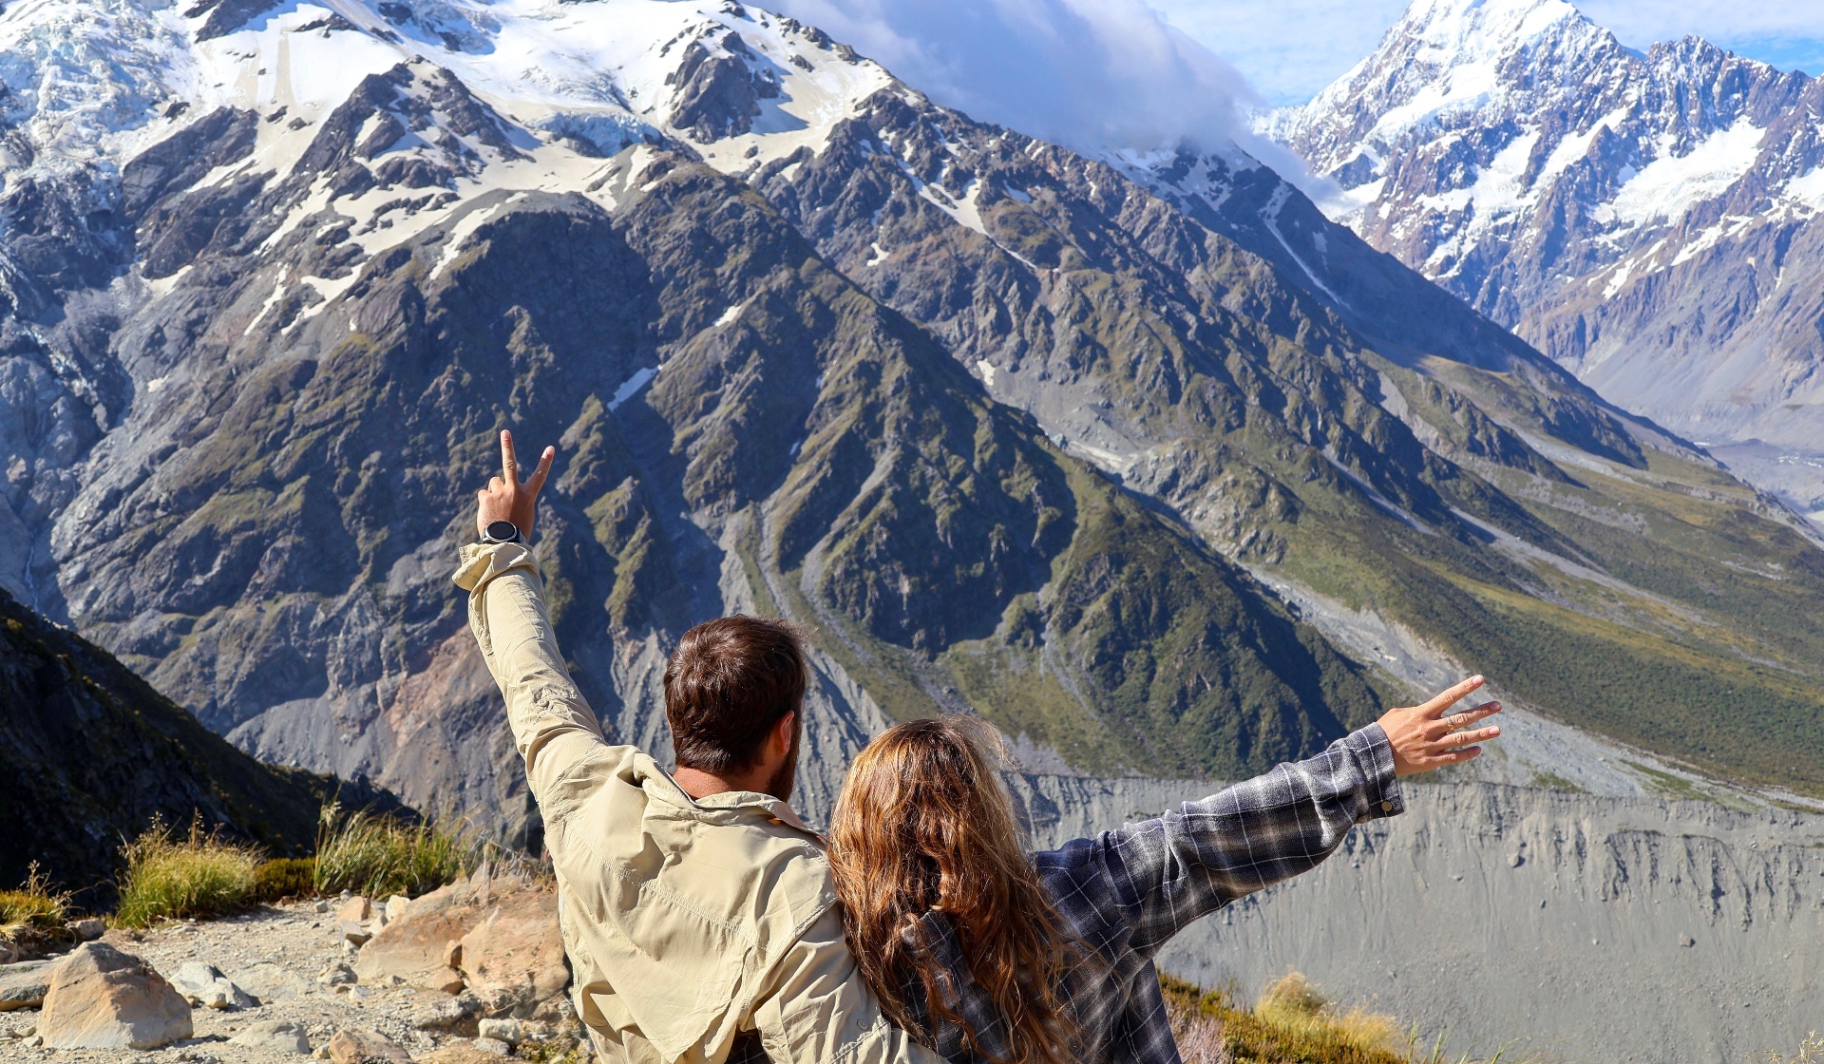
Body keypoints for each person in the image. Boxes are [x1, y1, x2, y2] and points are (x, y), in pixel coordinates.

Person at [455, 431, 942, 1064]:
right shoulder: (791, 893)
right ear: (785, 733)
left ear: (677, 716)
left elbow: (532, 682)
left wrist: (504, 543)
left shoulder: (585, 794)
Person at [826, 693, 1502, 1064]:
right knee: (1128, 959)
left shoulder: (841, 963)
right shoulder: (1081, 891)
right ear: (984, 813)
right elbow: (1205, 837)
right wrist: (1370, 756)